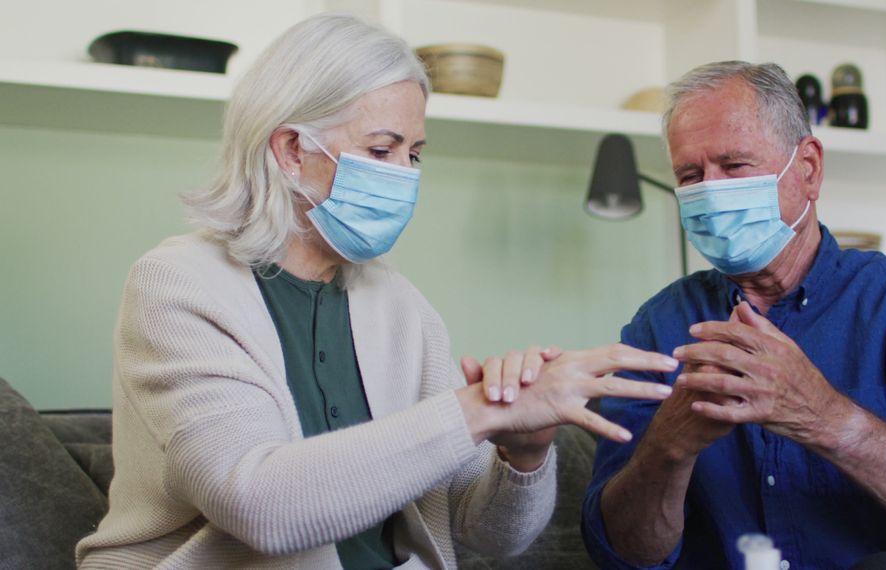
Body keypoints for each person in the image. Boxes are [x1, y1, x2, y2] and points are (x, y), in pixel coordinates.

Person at [75, 15, 678, 569]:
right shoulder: (178, 284)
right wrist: (484, 409)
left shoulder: (402, 307)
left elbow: (490, 535)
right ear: (291, 151)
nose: (406, 175)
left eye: (414, 154)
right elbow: (259, 505)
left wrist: (523, 452)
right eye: (381, 149)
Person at [581, 62, 886, 569]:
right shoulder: (658, 328)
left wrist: (829, 420)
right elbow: (623, 556)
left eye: (734, 165)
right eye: (690, 175)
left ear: (809, 169)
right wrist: (668, 448)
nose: (710, 191)